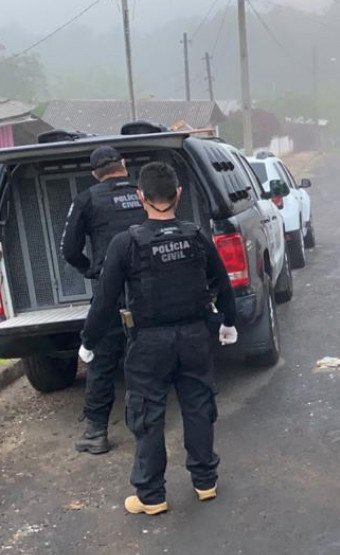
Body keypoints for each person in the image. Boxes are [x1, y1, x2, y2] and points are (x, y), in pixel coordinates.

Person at [78, 162, 238, 516]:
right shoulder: (197, 236)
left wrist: (88, 341)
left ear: (140, 197)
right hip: (195, 336)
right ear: (178, 194)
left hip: (148, 343)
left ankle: (151, 497)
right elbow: (222, 283)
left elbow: (104, 301)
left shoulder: (126, 244)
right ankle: (205, 482)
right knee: (198, 406)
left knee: (148, 414)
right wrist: (227, 322)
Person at [61, 146, 146, 455]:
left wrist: (92, 270)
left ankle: (96, 433)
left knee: (102, 358)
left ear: (95, 173)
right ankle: (148, 424)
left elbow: (69, 249)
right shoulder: (144, 191)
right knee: (148, 352)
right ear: (124, 165)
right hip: (148, 287)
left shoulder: (87, 199)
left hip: (110, 293)